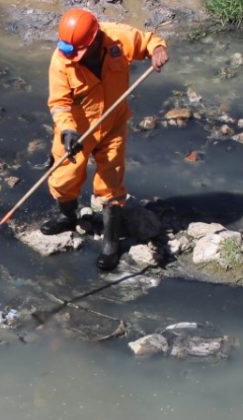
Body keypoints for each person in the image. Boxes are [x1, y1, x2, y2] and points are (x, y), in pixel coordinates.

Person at [41, 8, 169, 272]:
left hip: (112, 124)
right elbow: (59, 103)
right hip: (77, 131)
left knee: (111, 182)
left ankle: (111, 242)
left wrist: (158, 49)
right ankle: (67, 217)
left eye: (79, 51)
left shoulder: (117, 38)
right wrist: (67, 130)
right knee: (64, 177)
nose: (73, 56)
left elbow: (149, 41)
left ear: (96, 38)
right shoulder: (61, 60)